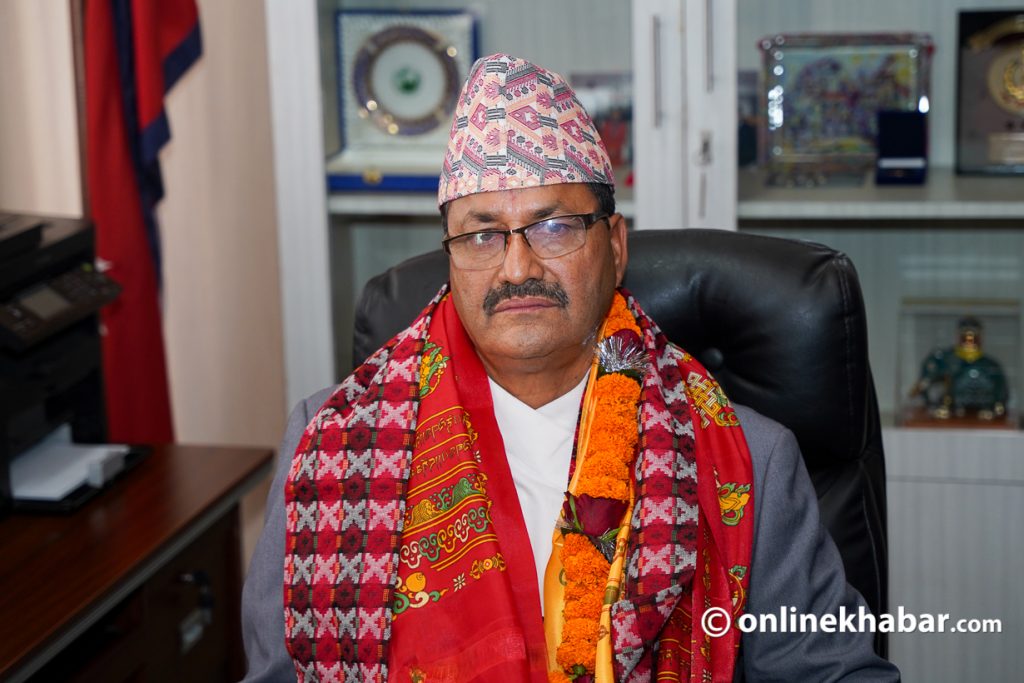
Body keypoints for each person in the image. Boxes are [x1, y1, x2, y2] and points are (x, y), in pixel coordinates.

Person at [241, 54, 900, 682]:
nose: (518, 267)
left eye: (553, 226)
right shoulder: (331, 444)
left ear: (614, 246)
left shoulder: (748, 458)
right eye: (481, 233)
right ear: (449, 255)